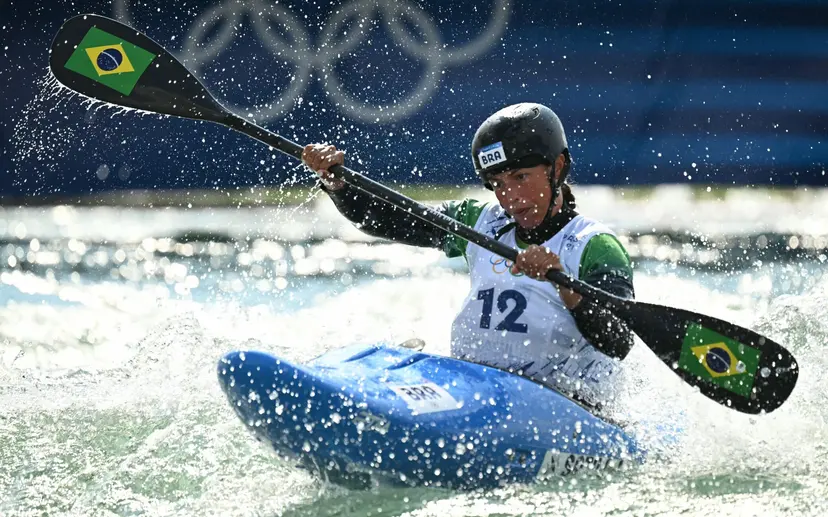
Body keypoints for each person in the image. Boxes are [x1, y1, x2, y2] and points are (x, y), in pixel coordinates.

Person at [302, 102, 635, 412]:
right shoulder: (479, 222)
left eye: (521, 177)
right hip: (479, 393)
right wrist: (337, 184)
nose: (511, 197)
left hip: (568, 409)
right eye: (498, 183)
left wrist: (567, 286)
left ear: (557, 167)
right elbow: (389, 219)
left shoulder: (596, 245)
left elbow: (619, 341)